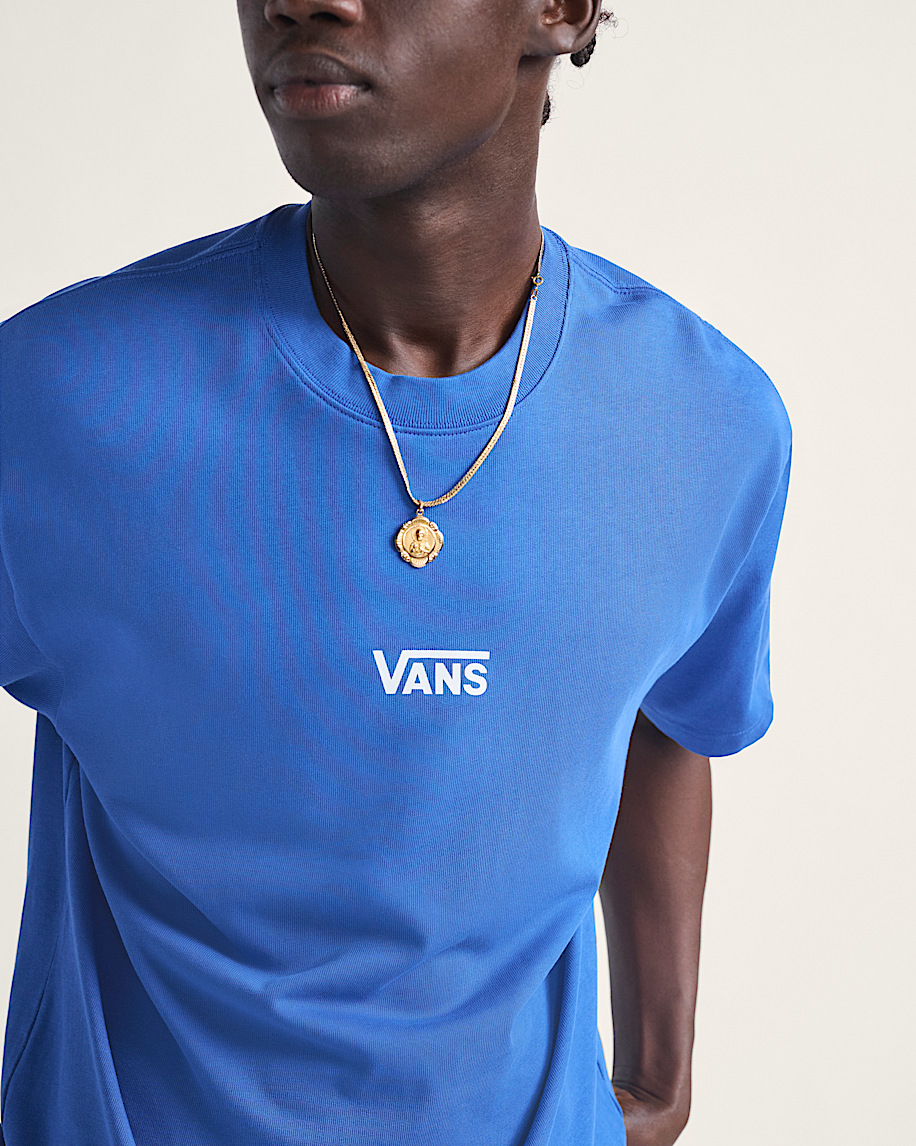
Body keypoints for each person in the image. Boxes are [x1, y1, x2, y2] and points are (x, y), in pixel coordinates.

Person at [0, 2, 791, 1144]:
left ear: (561, 9)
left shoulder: (706, 420)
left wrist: (659, 1082)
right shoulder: (56, 400)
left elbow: (670, 717)